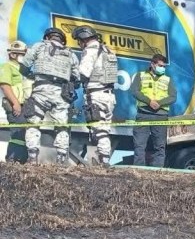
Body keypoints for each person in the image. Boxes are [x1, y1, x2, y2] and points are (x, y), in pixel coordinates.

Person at [21, 28, 79, 165]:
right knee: (62, 126)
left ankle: (32, 158)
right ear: (62, 39)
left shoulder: (39, 46)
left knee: (33, 122)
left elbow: (24, 66)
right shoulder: (70, 53)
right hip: (61, 93)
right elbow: (77, 79)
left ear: (47, 37)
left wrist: (31, 75)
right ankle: (61, 159)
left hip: (41, 89)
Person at [73, 25, 119, 166]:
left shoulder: (91, 50)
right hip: (109, 96)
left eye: (79, 41)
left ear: (83, 38)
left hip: (96, 95)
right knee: (104, 129)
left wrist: (70, 79)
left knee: (99, 131)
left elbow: (83, 73)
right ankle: (103, 159)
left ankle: (103, 162)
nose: (79, 45)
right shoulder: (107, 50)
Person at [130, 53, 176, 167]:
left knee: (160, 146)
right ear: (152, 64)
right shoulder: (140, 75)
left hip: (160, 116)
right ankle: (138, 171)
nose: (163, 68)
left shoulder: (167, 79)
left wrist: (159, 103)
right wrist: (148, 101)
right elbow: (135, 91)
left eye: (164, 66)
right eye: (160, 65)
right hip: (143, 114)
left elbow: (173, 97)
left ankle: (157, 172)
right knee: (139, 145)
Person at [0, 40, 30, 162]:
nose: (24, 57)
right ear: (13, 54)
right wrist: (15, 103)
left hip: (25, 106)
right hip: (15, 105)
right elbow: (5, 85)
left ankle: (21, 161)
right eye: (22, 54)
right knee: (17, 133)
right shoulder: (7, 66)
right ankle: (12, 160)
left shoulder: (23, 69)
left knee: (23, 133)